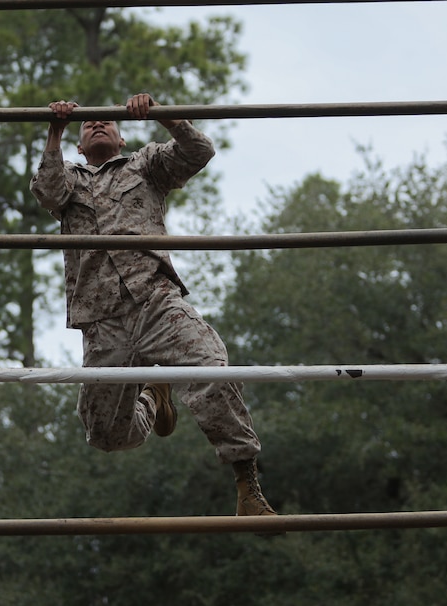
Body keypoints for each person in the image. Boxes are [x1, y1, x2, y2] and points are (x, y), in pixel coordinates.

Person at [29, 93, 276, 517]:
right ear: (78, 145)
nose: (98, 124)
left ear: (124, 139)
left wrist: (164, 116)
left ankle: (247, 484)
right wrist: (55, 130)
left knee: (212, 367)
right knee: (105, 433)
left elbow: (199, 152)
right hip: (102, 319)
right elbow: (47, 193)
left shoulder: (144, 165)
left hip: (155, 298)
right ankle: (152, 397)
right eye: (89, 124)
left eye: (107, 121)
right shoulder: (69, 178)